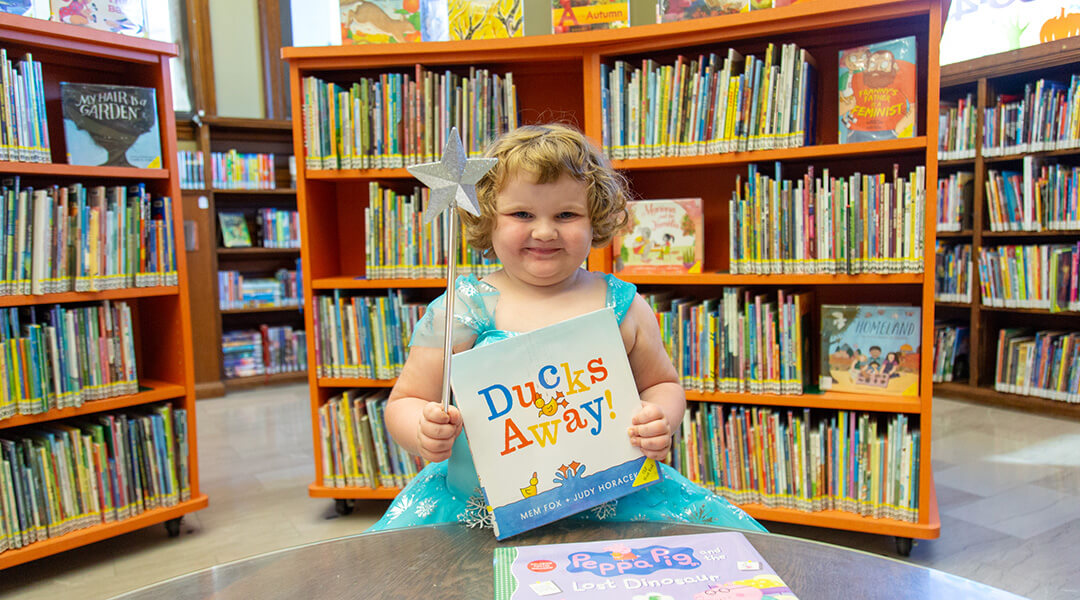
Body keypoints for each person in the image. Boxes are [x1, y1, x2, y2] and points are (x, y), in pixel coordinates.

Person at [368, 123, 764, 533]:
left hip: (614, 502)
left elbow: (662, 383)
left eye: (566, 214)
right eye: (522, 214)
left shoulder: (622, 306)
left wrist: (658, 415)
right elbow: (407, 398)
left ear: (596, 220)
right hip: (480, 511)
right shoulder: (460, 310)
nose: (544, 231)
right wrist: (422, 429)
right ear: (488, 218)